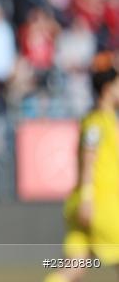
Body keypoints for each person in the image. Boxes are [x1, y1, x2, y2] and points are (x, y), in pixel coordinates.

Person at [45, 52, 119, 282]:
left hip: (85, 202)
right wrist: (88, 197)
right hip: (101, 203)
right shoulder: (98, 122)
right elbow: (89, 159)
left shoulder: (98, 120)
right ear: (107, 89)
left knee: (73, 267)